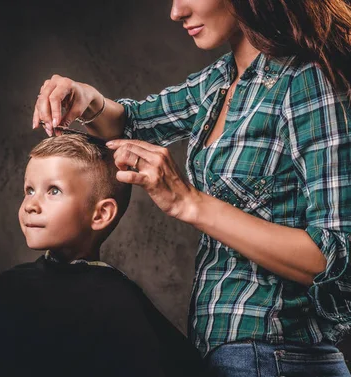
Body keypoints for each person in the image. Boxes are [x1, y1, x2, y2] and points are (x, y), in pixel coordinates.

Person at [32, 0, 351, 376]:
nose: (175, 12)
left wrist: (190, 204)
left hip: (278, 358)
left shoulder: (305, 81)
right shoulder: (220, 81)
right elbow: (129, 122)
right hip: (225, 356)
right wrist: (86, 99)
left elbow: (333, 259)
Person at [0, 133, 208, 377]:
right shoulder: (9, 289)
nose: (31, 204)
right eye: (29, 190)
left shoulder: (117, 305)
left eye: (53, 190)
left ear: (101, 214)